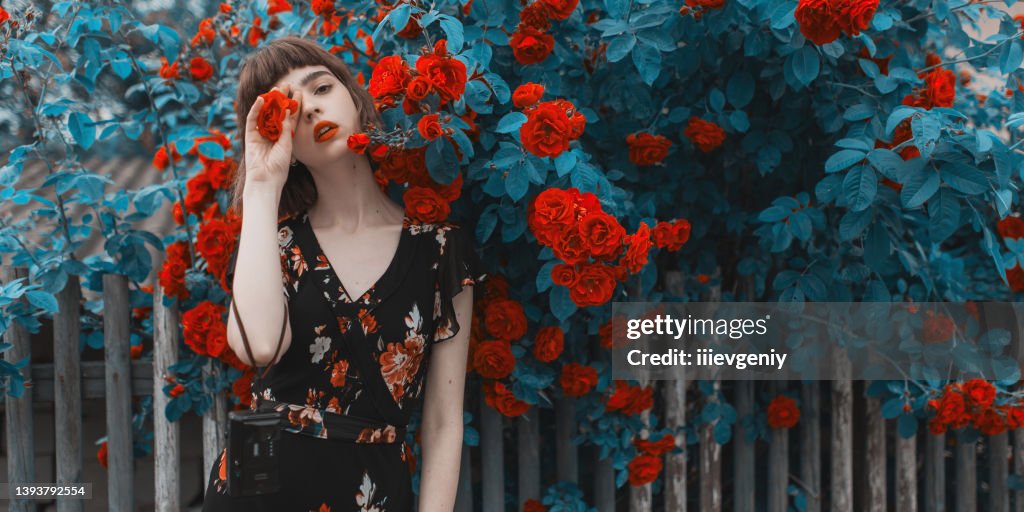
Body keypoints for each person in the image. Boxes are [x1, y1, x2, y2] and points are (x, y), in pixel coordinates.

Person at [201, 36, 486, 512]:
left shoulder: (440, 249)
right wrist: (260, 185)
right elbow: (258, 347)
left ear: (357, 101)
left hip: (373, 489)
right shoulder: (275, 245)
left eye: (320, 88)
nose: (309, 109)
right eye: (289, 106)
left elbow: (442, 423)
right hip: (259, 488)